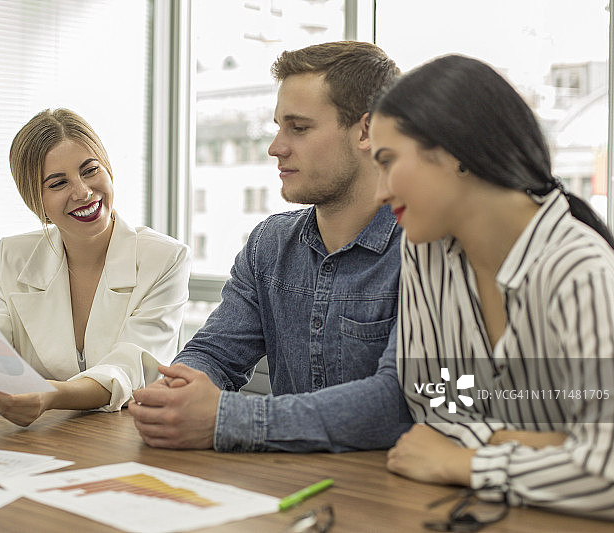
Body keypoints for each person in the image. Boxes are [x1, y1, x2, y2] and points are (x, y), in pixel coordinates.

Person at [369, 54, 614, 520]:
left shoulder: (578, 269)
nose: (379, 192)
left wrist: (464, 462)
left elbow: (612, 473)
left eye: (388, 162)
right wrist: (552, 446)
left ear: (454, 152)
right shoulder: (423, 250)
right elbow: (433, 405)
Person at [129, 41, 412, 452]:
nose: (276, 147)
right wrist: (177, 392)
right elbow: (215, 352)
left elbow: (395, 403)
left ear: (367, 132)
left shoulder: (422, 249)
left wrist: (225, 418)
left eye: (299, 128)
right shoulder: (269, 244)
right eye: (279, 126)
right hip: (287, 479)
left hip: (386, 484)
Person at [0, 108, 191, 426]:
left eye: (90, 170)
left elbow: (130, 370)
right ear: (35, 201)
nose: (83, 192)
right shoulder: (13, 256)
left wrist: (50, 396)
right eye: (58, 183)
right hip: (38, 437)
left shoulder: (164, 258)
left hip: (131, 433)